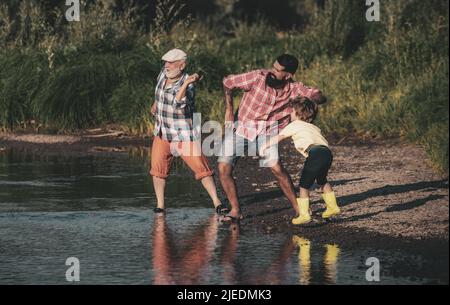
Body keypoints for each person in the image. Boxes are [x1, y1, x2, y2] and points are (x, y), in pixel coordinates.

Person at [218, 54, 327, 222]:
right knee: (224, 168)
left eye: (277, 70)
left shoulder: (294, 88)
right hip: (242, 127)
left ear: (288, 75)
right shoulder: (257, 77)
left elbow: (319, 95)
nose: (272, 71)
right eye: (273, 67)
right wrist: (229, 109)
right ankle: (235, 210)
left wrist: (311, 99)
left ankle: (300, 211)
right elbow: (228, 82)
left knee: (277, 169)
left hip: (269, 132)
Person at [150, 48, 226, 215]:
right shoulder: (163, 74)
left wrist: (185, 83)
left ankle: (217, 202)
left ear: (182, 65)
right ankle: (160, 206)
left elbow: (177, 104)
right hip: (162, 132)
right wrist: (156, 103)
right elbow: (160, 93)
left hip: (183, 135)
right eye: (165, 62)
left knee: (202, 169)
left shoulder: (189, 86)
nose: (166, 65)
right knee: (158, 170)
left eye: (170, 63)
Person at [261, 96, 341, 225]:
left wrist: (264, 146)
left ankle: (304, 215)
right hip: (327, 153)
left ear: (298, 113)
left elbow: (279, 137)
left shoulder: (294, 125)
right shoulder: (314, 127)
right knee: (322, 180)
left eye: (292, 111)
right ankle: (332, 207)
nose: (290, 114)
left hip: (314, 153)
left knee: (304, 186)